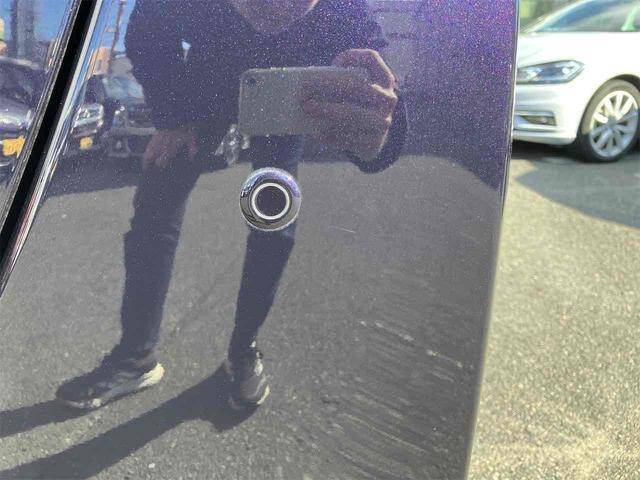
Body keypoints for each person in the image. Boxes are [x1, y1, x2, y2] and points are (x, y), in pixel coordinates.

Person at [56, 0, 406, 411]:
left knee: (273, 222)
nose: (273, 8)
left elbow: (377, 82)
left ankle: (243, 349)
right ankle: (134, 357)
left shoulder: (341, 11)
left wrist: (378, 136)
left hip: (283, 102)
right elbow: (148, 25)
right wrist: (171, 117)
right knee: (155, 207)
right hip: (202, 92)